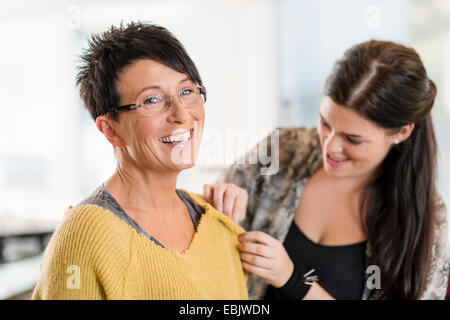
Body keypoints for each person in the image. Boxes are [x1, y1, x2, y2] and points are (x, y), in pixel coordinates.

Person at [205, 40, 449, 300]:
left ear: (402, 132)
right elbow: (203, 240)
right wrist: (220, 205)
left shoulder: (429, 222)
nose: (330, 147)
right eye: (324, 123)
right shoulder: (284, 150)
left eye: (353, 139)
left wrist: (292, 279)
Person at [32, 22, 248, 300]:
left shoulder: (216, 218)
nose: (182, 115)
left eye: (186, 91)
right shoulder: (84, 235)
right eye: (152, 100)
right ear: (111, 130)